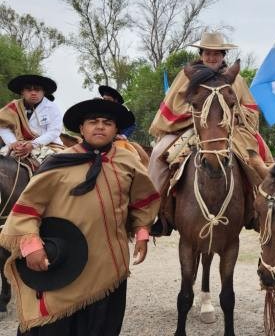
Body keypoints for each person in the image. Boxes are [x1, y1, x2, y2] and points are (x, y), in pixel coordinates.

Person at [0, 98, 160, 334]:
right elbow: (27, 208)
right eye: (93, 121)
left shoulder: (128, 161)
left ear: (116, 130)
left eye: (107, 122)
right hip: (66, 263)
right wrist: (31, 244)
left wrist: (143, 232)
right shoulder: (57, 163)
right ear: (82, 128)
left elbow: (143, 200)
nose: (100, 126)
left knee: (104, 326)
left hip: (110, 265)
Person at [148, 31, 271, 235]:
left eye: (216, 53)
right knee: (158, 154)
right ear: (201, 53)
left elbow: (249, 109)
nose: (211, 57)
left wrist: (235, 114)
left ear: (223, 55)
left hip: (229, 129)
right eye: (207, 53)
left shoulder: (235, 78)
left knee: (260, 155)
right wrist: (199, 114)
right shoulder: (187, 75)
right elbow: (173, 106)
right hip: (189, 127)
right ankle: (155, 212)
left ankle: (260, 210)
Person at [0, 74, 63, 161]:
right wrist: (12, 142)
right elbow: (2, 126)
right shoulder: (13, 106)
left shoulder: (52, 108)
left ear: (43, 92)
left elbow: (54, 131)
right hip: (18, 145)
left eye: (37, 90)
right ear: (22, 92)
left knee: (53, 164)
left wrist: (33, 144)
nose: (33, 93)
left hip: (48, 145)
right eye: (29, 89)